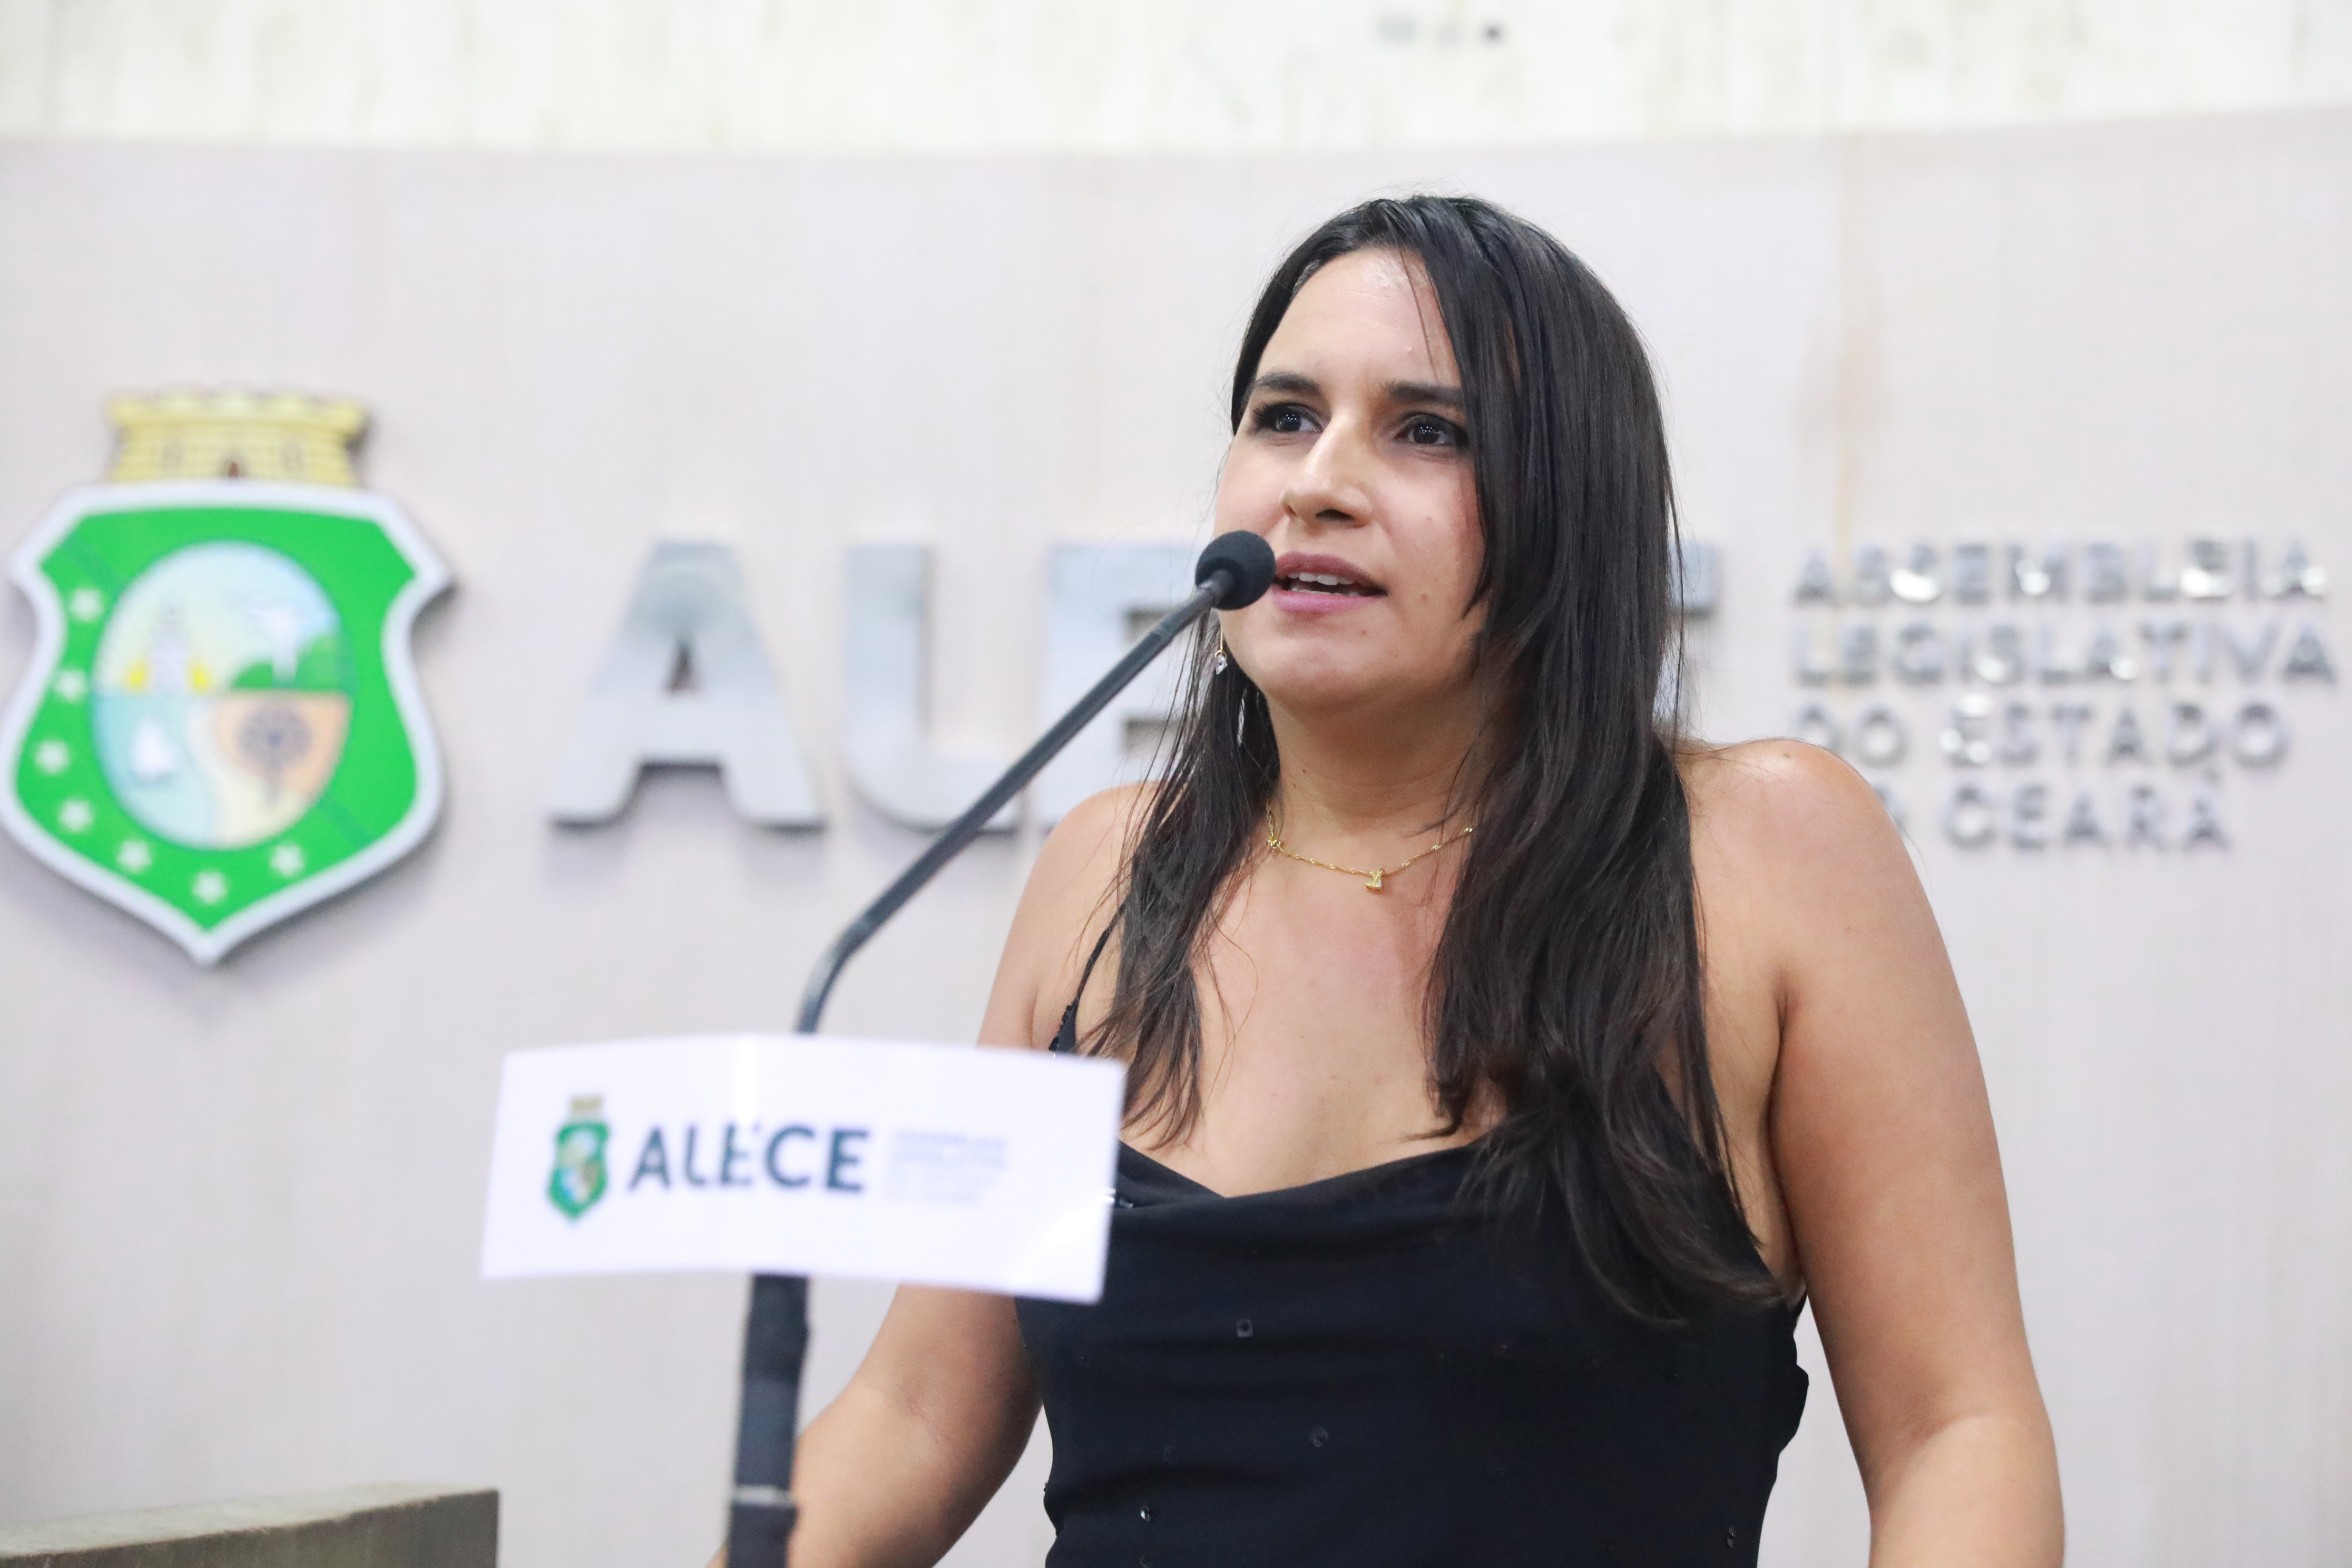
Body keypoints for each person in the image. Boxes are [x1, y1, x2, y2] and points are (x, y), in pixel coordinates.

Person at [773, 195, 2062, 1566]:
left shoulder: (1764, 850)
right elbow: (914, 1414)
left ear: (1572, 506)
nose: (1318, 483)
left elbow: (1955, 1431)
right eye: (1283, 417)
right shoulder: (1104, 868)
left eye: (1427, 431)